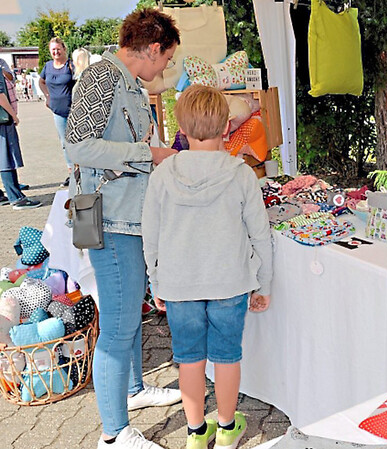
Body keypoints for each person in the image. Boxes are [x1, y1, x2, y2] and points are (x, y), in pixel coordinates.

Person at [65, 9, 182, 449]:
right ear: (153, 48)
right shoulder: (101, 77)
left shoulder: (127, 82)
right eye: (166, 59)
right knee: (117, 323)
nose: (165, 68)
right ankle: (113, 434)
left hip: (125, 215)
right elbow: (76, 146)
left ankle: (133, 391)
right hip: (108, 217)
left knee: (129, 311)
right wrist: (148, 154)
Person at [142, 84, 273, 449]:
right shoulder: (241, 174)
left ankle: (197, 432)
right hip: (230, 283)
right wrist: (263, 284)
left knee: (189, 360)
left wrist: (157, 284)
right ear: (227, 127)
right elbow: (260, 236)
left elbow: (149, 238)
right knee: (227, 358)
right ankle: (229, 427)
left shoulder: (163, 174)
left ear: (180, 128)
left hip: (180, 286)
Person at [0, 61, 40, 209]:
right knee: (6, 158)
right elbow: (0, 95)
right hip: (3, 120)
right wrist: (13, 115)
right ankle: (16, 198)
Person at [39, 37, 76, 186]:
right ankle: (71, 172)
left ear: (64, 49)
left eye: (58, 49)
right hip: (57, 111)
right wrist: (47, 96)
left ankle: (80, 170)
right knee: (64, 142)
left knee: (76, 141)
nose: (56, 52)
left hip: (73, 109)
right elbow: (41, 81)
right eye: (53, 49)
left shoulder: (71, 65)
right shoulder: (47, 66)